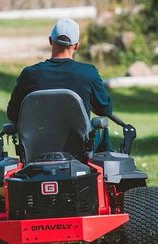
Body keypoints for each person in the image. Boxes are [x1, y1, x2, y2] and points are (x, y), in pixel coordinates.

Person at [6, 18, 113, 150]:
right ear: (77, 45)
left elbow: (12, 114)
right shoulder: (88, 73)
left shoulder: (29, 75)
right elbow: (105, 109)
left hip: (36, 148)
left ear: (51, 41)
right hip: (79, 149)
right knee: (101, 130)